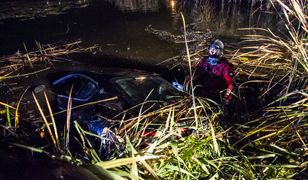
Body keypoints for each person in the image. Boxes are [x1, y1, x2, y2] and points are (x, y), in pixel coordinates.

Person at [187, 39, 234, 105]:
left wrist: (227, 98)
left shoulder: (225, 66)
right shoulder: (204, 61)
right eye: (211, 47)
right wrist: (189, 80)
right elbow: (196, 74)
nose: (212, 50)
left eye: (215, 48)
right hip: (201, 90)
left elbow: (230, 84)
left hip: (214, 95)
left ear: (220, 51)